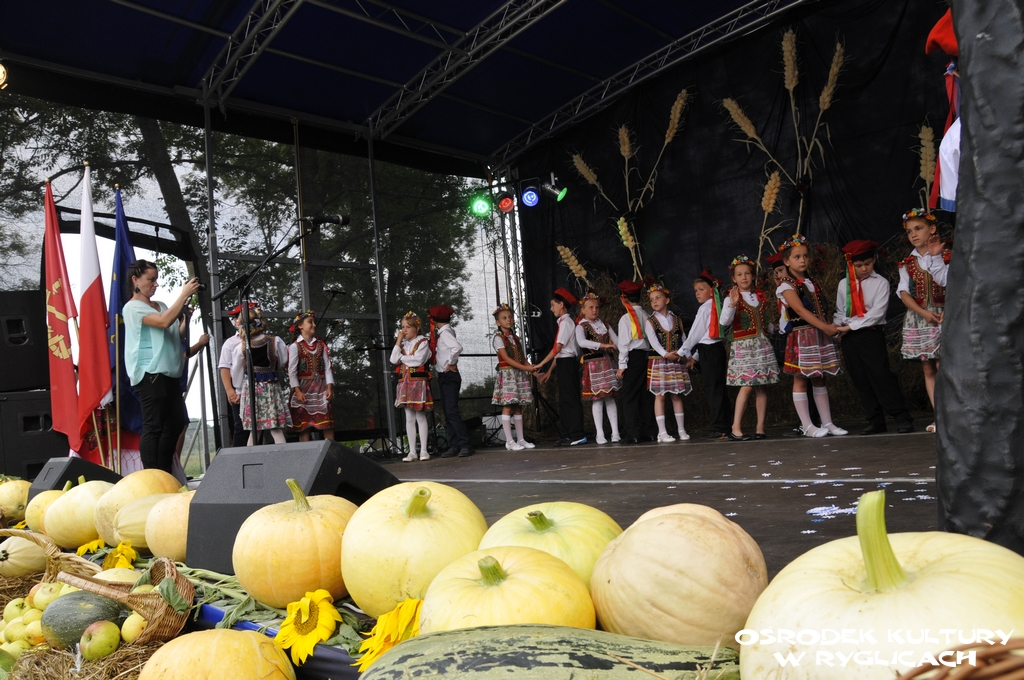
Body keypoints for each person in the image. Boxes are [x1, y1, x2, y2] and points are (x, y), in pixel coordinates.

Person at [122, 259, 200, 472]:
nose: (155, 284)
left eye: (156, 279)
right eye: (151, 279)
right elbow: (164, 322)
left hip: (170, 373)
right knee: (154, 426)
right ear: (135, 280)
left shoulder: (162, 306)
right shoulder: (132, 308)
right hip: (150, 373)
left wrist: (185, 319)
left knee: (176, 423)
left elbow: (175, 335)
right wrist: (183, 295)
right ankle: (152, 474)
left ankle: (164, 471)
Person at [834, 240, 915, 435]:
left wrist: (850, 326)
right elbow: (840, 310)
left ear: (874, 260)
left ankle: (902, 417)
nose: (864, 269)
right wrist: (838, 328)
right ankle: (875, 420)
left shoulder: (881, 283)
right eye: (859, 265)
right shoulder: (844, 284)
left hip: (870, 333)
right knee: (859, 377)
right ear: (850, 264)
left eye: (868, 264)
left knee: (881, 375)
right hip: (849, 336)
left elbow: (877, 313)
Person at [776, 234, 847, 438]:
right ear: (787, 261)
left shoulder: (811, 281)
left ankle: (827, 422)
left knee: (819, 378)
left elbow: (820, 307)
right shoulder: (786, 285)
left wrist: (828, 328)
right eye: (797, 257)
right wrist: (825, 327)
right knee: (801, 379)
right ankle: (807, 425)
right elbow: (800, 309)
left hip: (818, 334)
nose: (802, 260)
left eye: (805, 256)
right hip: (803, 336)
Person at [897, 208, 950, 433]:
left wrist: (949, 310)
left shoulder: (946, 255)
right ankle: (940, 416)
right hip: (921, 318)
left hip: (945, 315)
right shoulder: (907, 263)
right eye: (910, 231)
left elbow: (955, 285)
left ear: (932, 228)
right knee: (929, 369)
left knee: (944, 366)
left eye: (918, 228)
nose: (914, 234)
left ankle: (953, 414)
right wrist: (923, 312)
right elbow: (903, 292)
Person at [720, 255, 780, 440]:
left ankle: (760, 427)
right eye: (739, 274)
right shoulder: (731, 297)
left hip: (761, 344)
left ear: (753, 276)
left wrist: (774, 328)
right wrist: (732, 304)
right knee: (746, 385)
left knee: (761, 386)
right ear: (734, 278)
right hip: (744, 346)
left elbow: (763, 322)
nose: (744, 277)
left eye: (747, 273)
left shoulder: (759, 296)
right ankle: (735, 427)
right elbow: (724, 321)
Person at [233, 303, 292, 445]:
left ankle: (251, 457)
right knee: (275, 428)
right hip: (271, 388)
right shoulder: (275, 341)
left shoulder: (242, 346)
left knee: (255, 430)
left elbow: (236, 371)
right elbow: (283, 359)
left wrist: (238, 389)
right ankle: (284, 456)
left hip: (252, 391)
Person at [681, 270, 730, 440]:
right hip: (713, 350)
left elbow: (695, 334)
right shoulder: (715, 306)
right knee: (718, 388)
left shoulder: (705, 308)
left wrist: (681, 352)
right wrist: (695, 356)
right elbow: (706, 336)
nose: (697, 293)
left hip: (711, 351)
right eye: (696, 290)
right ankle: (724, 424)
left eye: (701, 289)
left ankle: (721, 426)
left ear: (711, 291)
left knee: (713, 389)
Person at [536, 288, 587, 446]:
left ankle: (577, 434)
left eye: (553, 305)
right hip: (563, 363)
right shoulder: (563, 323)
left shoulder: (566, 323)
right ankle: (567, 434)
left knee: (571, 399)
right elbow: (559, 352)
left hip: (568, 363)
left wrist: (541, 363)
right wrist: (550, 370)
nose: (551, 309)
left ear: (561, 305)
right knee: (564, 400)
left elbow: (558, 348)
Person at [644, 282, 690, 442]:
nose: (655, 301)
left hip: (675, 361)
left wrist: (687, 355)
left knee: (676, 395)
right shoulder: (650, 321)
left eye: (658, 298)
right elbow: (654, 343)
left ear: (667, 300)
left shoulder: (676, 319)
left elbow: (684, 339)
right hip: (659, 361)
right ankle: (662, 432)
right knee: (660, 395)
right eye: (652, 300)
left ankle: (681, 429)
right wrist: (666, 354)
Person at [575, 292, 621, 444]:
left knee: (610, 397)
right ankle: (600, 434)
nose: (594, 310)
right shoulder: (581, 326)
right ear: (583, 310)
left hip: (608, 364)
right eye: (590, 307)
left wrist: (623, 350)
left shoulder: (605, 325)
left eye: (597, 307)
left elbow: (617, 341)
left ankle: (615, 432)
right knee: (597, 398)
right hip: (593, 366)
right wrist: (603, 345)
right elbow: (582, 342)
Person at [490, 303, 536, 451]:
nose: (508, 320)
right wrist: (526, 368)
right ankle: (509, 441)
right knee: (508, 405)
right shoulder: (498, 338)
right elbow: (507, 359)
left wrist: (533, 370)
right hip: (508, 374)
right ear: (498, 322)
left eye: (510, 317)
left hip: (518, 374)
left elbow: (522, 358)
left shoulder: (515, 338)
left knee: (517, 406)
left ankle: (521, 439)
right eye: (504, 318)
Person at [615, 280, 657, 443]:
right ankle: (650, 431)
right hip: (647, 357)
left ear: (624, 298)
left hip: (633, 358)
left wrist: (622, 365)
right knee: (645, 395)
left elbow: (624, 344)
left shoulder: (625, 318)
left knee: (629, 395)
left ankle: (632, 434)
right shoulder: (647, 315)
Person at [429, 304, 471, 458]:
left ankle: (464, 444)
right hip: (444, 376)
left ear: (435, 320)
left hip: (448, 376)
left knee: (452, 411)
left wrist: (451, 363)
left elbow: (457, 347)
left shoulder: (446, 333)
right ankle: (454, 445)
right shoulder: (446, 332)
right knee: (448, 412)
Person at [287, 310, 336, 442]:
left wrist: (329, 387)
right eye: (310, 322)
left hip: (321, 389)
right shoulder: (295, 346)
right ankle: (305, 453)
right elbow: (292, 371)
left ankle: (331, 452)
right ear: (300, 326)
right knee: (304, 427)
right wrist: (297, 391)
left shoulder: (321, 345)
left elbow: (327, 368)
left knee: (327, 424)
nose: (314, 325)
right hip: (303, 390)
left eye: (314, 322)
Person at [391, 311, 433, 461]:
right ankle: (412, 451)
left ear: (417, 328)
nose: (405, 330)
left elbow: (418, 360)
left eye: (408, 327)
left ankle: (424, 451)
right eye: (403, 327)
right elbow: (393, 359)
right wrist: (398, 341)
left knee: (420, 415)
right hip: (405, 383)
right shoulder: (403, 344)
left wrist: (402, 358)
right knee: (409, 417)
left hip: (417, 382)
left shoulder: (423, 342)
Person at [218, 304, 250, 448]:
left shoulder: (265, 339)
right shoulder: (230, 343)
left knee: (260, 426)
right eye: (240, 318)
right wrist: (230, 390)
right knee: (241, 426)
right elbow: (224, 367)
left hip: (260, 389)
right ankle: (239, 459)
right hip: (240, 391)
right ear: (236, 321)